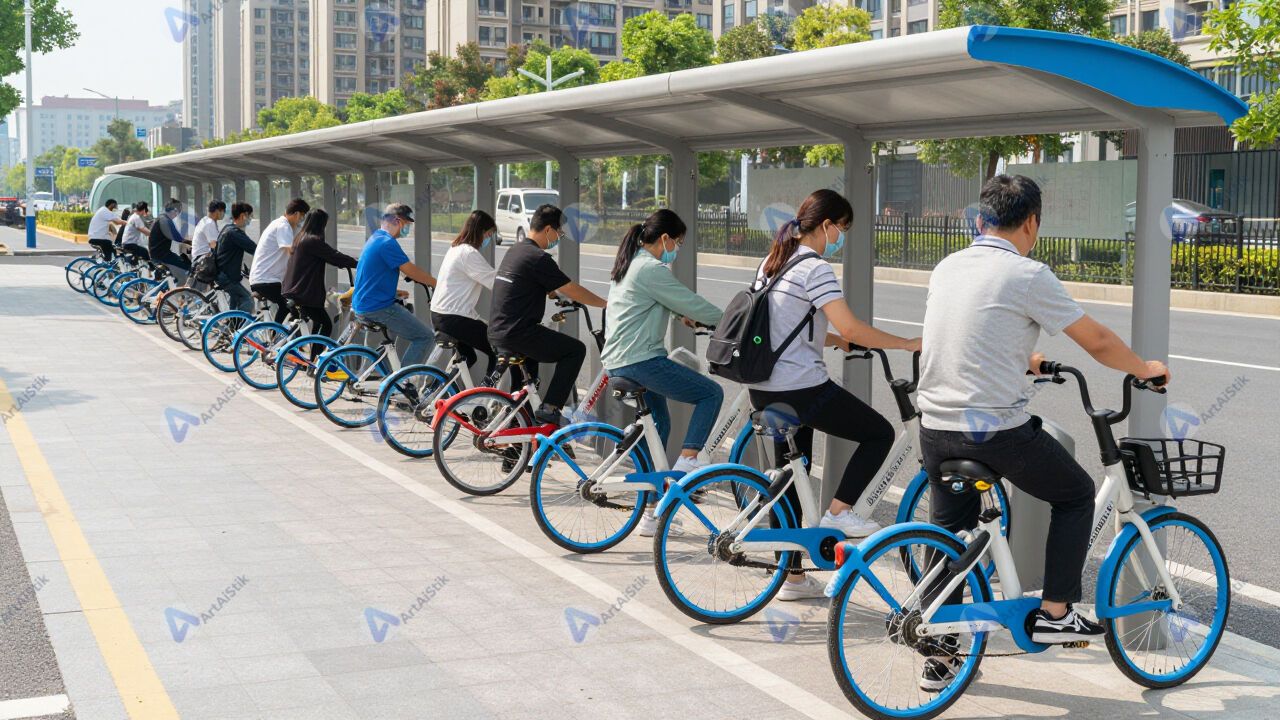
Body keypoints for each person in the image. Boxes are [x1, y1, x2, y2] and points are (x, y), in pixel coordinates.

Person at [917, 174, 1169, 679]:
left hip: (935, 425)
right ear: (1031, 223)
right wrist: (1145, 369)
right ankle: (1057, 613)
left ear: (981, 219)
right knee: (1074, 495)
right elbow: (1097, 341)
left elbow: (968, 333)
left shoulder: (948, 266)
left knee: (950, 533)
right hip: (993, 431)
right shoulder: (1028, 273)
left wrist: (1023, 359)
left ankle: (938, 654)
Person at [747, 189, 921, 602]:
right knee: (878, 433)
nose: (841, 237)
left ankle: (791, 579)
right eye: (841, 228)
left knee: (791, 478)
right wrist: (906, 343)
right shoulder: (815, 267)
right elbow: (854, 327)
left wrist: (834, 341)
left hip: (764, 389)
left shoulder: (772, 261)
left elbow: (783, 326)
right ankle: (839, 513)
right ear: (826, 225)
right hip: (801, 389)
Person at [600, 210, 724, 535]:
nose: (677, 249)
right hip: (640, 360)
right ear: (665, 238)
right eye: (678, 242)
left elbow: (658, 304)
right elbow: (690, 302)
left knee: (659, 425)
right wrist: (732, 322)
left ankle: (651, 513)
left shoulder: (631, 264)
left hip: (619, 360)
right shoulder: (650, 268)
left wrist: (686, 317)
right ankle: (687, 466)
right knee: (711, 393)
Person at [488, 204, 607, 427]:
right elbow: (570, 288)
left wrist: (551, 293)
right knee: (575, 350)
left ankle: (517, 438)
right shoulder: (538, 257)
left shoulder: (516, 250)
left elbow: (529, 283)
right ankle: (551, 408)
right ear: (549, 230)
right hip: (519, 333)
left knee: (526, 387)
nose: (559, 237)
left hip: (498, 330)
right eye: (559, 233)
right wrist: (605, 303)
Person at [351, 203, 438, 366]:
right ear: (397, 221)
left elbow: (373, 276)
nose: (408, 229)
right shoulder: (387, 243)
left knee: (390, 339)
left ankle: (378, 371)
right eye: (407, 224)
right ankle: (404, 378)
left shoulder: (376, 238)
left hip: (364, 303)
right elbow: (410, 270)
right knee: (425, 337)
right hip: (378, 307)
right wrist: (435, 283)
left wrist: (395, 291)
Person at [431, 210, 501, 376]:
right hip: (455, 317)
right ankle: (487, 390)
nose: (488, 239)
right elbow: (495, 282)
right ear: (480, 232)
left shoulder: (455, 248)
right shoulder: (469, 253)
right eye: (488, 234)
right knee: (499, 349)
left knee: (469, 357)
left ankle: (441, 386)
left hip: (440, 315)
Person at [282, 208, 357, 339]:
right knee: (325, 325)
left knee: (315, 324)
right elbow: (334, 256)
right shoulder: (313, 241)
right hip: (303, 293)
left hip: (294, 289)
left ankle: (307, 350)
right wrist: (358, 263)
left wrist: (345, 262)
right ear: (320, 224)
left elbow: (331, 257)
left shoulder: (300, 238)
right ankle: (315, 353)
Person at [249, 198, 309, 323]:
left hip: (263, 279)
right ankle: (276, 333)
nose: (301, 220)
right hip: (267, 280)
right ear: (297, 214)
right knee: (288, 306)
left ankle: (276, 332)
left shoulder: (278, 223)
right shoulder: (284, 226)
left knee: (288, 305)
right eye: (302, 216)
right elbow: (291, 251)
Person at [212, 203, 257, 313]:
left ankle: (232, 322)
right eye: (250, 216)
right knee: (248, 300)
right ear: (243, 216)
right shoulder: (234, 233)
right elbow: (254, 248)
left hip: (223, 274)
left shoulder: (228, 228)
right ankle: (240, 324)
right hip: (227, 277)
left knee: (235, 303)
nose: (250, 219)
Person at [149, 200, 192, 281]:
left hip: (156, 253)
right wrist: (192, 242)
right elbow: (178, 238)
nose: (177, 215)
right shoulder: (167, 221)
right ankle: (182, 286)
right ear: (174, 211)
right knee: (187, 266)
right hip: (162, 255)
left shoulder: (161, 218)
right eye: (178, 212)